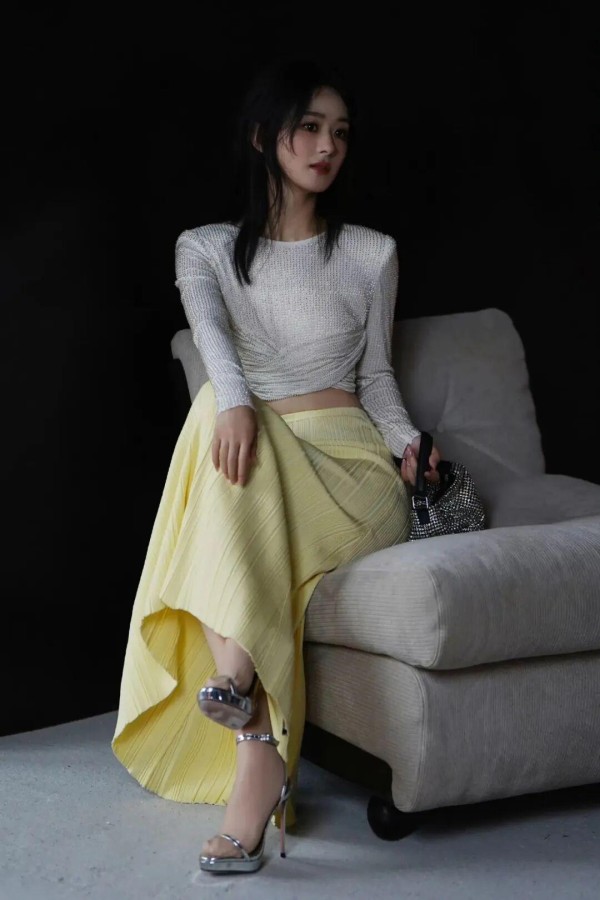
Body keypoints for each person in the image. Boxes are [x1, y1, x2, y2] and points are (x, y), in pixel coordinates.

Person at [111, 56, 441, 875]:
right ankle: (250, 726)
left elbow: (376, 380)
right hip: (259, 461)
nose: (328, 147)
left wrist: (408, 446)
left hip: (352, 474)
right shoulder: (205, 250)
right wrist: (234, 402)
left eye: (340, 133)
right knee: (218, 417)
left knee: (226, 440)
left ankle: (234, 683)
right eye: (309, 128)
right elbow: (217, 351)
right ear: (264, 137)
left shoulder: (371, 253)